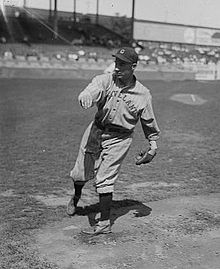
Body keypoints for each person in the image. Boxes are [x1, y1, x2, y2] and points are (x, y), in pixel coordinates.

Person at [67, 47, 160, 235]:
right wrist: (86, 96)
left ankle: (104, 223)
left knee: (104, 178)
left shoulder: (143, 94)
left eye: (122, 64)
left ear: (133, 67)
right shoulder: (106, 79)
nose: (117, 67)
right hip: (96, 131)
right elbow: (93, 89)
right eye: (116, 62)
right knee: (80, 173)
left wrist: (153, 145)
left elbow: (149, 122)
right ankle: (76, 196)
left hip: (120, 138)